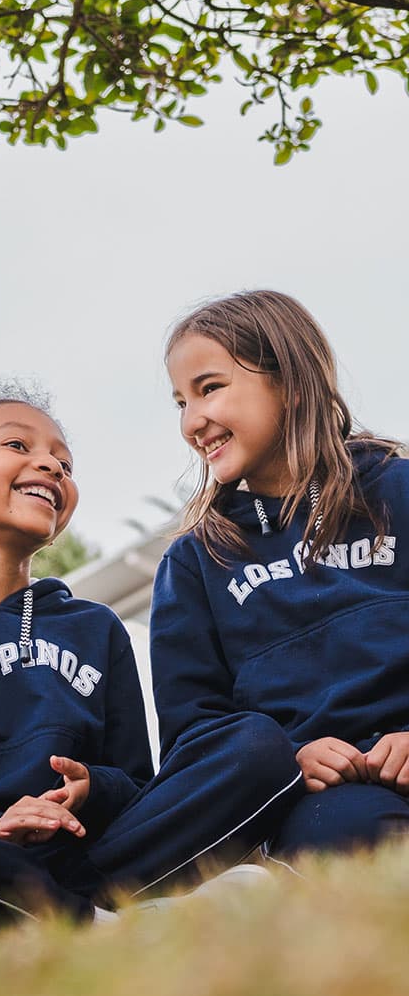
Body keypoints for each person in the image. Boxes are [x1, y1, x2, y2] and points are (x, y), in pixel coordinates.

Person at [0, 390, 298, 952]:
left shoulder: (95, 629)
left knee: (255, 744)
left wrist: (92, 790)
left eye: (64, 464)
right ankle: (99, 926)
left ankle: (70, 919)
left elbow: (136, 785)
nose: (50, 465)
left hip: (83, 857)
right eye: (18, 445)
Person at [156, 288, 409, 865]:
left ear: (291, 384)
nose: (193, 422)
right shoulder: (195, 563)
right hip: (331, 801)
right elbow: (194, 734)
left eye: (210, 387)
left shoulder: (401, 491)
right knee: (357, 843)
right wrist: (290, 760)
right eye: (180, 402)